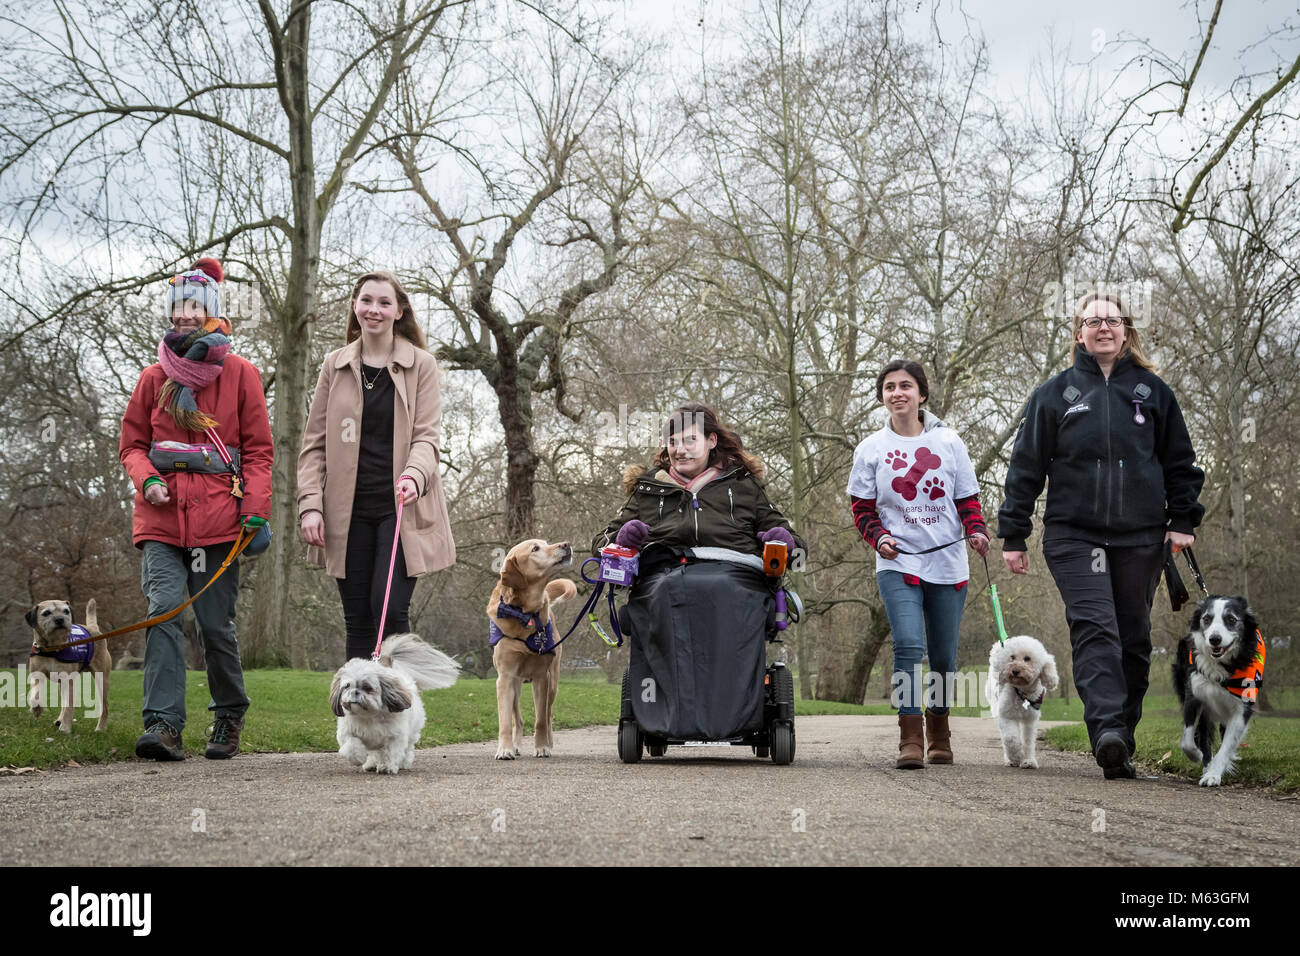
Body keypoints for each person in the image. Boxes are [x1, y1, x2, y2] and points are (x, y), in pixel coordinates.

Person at [998, 290, 1204, 779]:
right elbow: (1025, 465)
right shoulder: (1055, 395)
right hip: (1075, 535)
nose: (1103, 328)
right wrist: (1013, 533)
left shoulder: (1154, 392)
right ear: (1079, 334)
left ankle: (1121, 742)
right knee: (1096, 628)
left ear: (1127, 330)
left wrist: (1182, 521)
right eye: (1092, 322)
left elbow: (1180, 463)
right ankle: (1107, 728)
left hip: (1140, 536)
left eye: (1112, 320)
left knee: (1133, 637)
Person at [119, 257, 273, 761]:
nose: (184, 314)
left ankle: (228, 713)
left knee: (212, 624)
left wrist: (255, 509)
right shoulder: (152, 378)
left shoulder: (240, 374)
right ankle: (163, 725)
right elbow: (132, 446)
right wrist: (148, 480)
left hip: (219, 523)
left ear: (211, 312)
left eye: (194, 305)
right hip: (162, 522)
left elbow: (258, 451)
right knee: (163, 611)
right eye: (177, 306)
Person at [593, 402, 803, 742]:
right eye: (674, 441)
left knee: (720, 590)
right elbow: (600, 544)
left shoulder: (744, 486)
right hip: (663, 575)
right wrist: (623, 538)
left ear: (711, 442)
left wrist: (783, 541)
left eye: (690, 440)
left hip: (736, 576)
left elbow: (796, 548)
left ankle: (728, 710)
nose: (680, 449)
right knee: (670, 591)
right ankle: (669, 711)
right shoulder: (647, 489)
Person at [298, 270, 455, 663]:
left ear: (399, 311)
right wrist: (311, 506)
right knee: (358, 621)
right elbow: (313, 445)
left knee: (387, 610)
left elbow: (426, 437)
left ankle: (398, 708)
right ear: (355, 306)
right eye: (367, 300)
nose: (374, 310)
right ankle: (357, 714)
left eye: (384, 303)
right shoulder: (334, 366)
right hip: (345, 514)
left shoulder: (421, 365)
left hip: (400, 508)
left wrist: (414, 476)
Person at [846, 360, 990, 769]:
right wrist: (880, 538)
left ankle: (939, 730)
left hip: (947, 561)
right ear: (883, 398)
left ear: (922, 394)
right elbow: (861, 507)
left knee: (944, 658)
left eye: (906, 386)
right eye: (889, 387)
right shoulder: (871, 449)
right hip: (897, 561)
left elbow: (967, 500)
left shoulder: (949, 442)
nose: (897, 393)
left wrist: (976, 530)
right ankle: (910, 737)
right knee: (909, 645)